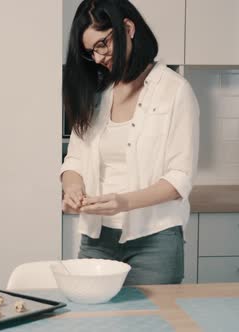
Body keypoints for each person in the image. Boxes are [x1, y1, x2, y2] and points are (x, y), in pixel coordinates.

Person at [61, 0, 199, 285]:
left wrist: (123, 202)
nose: (98, 58)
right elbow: (73, 160)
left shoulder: (175, 90)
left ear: (128, 28)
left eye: (102, 44)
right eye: (90, 52)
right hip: (95, 239)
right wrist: (73, 188)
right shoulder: (96, 93)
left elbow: (179, 179)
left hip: (155, 241)